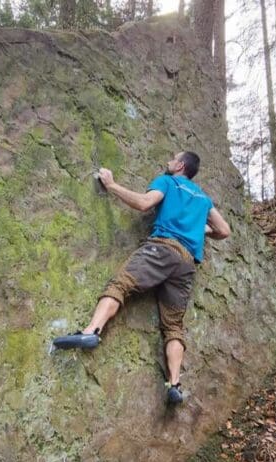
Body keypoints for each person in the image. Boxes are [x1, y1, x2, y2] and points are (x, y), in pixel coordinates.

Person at [52, 151, 231, 404]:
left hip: (162, 248)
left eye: (173, 159)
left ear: (180, 165)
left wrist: (112, 185)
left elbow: (145, 203)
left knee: (120, 284)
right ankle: (175, 384)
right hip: (186, 264)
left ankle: (91, 331)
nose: (168, 161)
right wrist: (202, 228)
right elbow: (224, 230)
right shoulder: (203, 198)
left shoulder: (168, 181)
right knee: (173, 325)